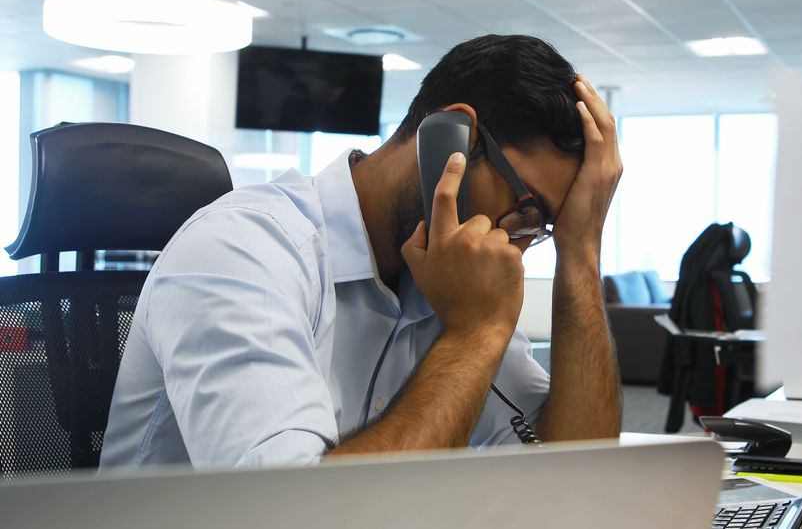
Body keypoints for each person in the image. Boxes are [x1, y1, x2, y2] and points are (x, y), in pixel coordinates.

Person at [99, 35, 624, 468]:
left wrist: (581, 248)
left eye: (542, 228)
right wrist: (475, 334)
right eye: (526, 209)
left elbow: (576, 470)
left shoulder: (448, 277)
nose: (518, 244)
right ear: (452, 140)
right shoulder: (240, 249)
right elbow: (291, 516)